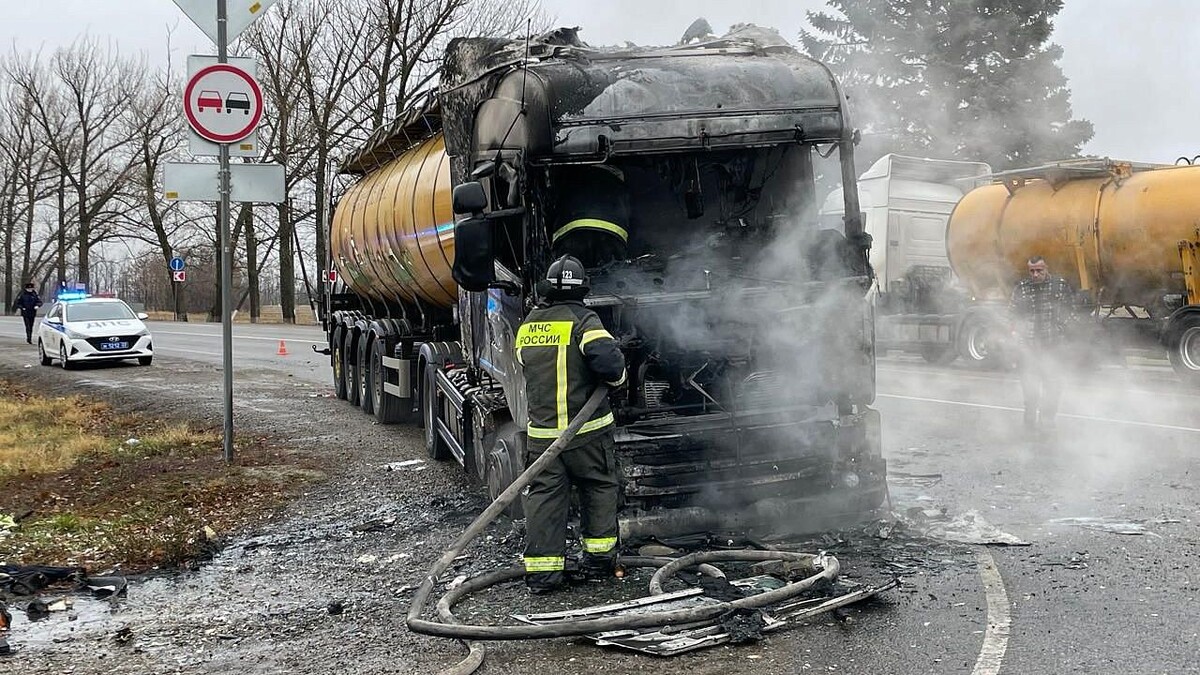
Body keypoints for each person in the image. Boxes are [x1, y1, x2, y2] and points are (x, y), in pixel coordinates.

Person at [515, 255, 627, 594]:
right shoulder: (584, 320)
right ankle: (599, 563)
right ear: (584, 289)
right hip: (586, 433)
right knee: (599, 489)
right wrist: (619, 378)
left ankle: (543, 576)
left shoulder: (529, 325)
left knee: (545, 500)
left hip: (542, 438)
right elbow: (608, 362)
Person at [1010, 256, 1076, 431]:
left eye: (1039, 270)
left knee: (1053, 388)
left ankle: (1047, 421)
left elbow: (1070, 311)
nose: (1035, 274)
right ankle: (1030, 423)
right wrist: (1017, 335)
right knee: (1030, 390)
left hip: (1052, 347)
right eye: (1032, 271)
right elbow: (1012, 314)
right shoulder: (1022, 288)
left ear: (1046, 268)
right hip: (1029, 350)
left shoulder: (1059, 285)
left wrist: (1063, 333)